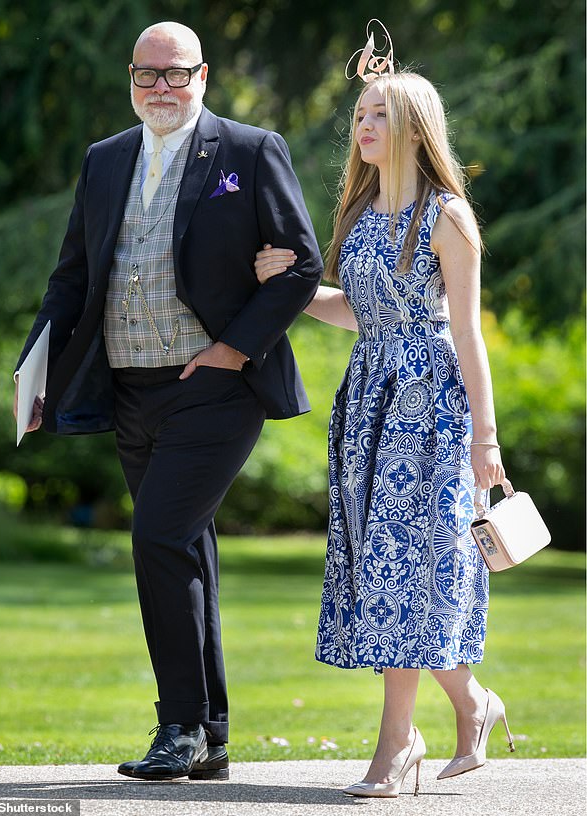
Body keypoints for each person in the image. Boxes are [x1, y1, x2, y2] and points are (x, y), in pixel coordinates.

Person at [13, 21, 322, 781]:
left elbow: (301, 265)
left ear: (203, 75)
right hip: (128, 390)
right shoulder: (106, 158)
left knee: (157, 536)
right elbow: (72, 277)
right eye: (146, 75)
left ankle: (177, 725)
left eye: (174, 74)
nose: (159, 88)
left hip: (216, 389)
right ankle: (210, 735)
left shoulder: (249, 152)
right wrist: (36, 366)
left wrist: (232, 349)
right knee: (185, 547)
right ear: (131, 79)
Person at [254, 24, 514, 799]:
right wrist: (293, 288)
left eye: (376, 114)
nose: (361, 127)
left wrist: (485, 441)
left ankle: (396, 746)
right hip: (368, 401)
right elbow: (363, 314)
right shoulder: (364, 216)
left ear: (411, 128)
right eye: (359, 114)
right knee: (384, 570)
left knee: (410, 571)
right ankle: (474, 704)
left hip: (432, 405)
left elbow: (466, 333)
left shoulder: (448, 216)